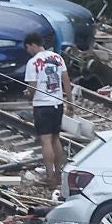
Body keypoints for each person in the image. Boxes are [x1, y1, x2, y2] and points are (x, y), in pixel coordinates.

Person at [23, 32, 71, 189]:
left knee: (45, 140)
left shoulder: (32, 62)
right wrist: (70, 101)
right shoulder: (58, 58)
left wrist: (28, 96)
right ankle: (59, 174)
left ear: (32, 45)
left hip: (42, 106)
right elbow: (66, 80)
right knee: (56, 138)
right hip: (58, 103)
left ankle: (50, 177)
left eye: (28, 48)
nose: (28, 51)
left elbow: (32, 86)